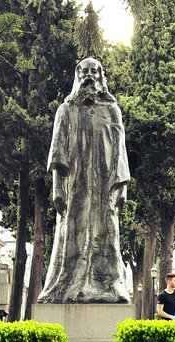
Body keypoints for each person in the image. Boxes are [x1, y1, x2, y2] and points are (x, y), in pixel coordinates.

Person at [38, 57, 130, 303]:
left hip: (104, 185)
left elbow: (120, 150)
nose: (89, 75)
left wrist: (122, 186)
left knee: (107, 233)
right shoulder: (66, 110)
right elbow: (57, 151)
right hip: (75, 184)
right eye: (85, 71)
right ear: (78, 75)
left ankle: (109, 285)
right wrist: (57, 187)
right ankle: (69, 284)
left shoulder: (112, 110)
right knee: (74, 232)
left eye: (94, 71)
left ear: (101, 76)